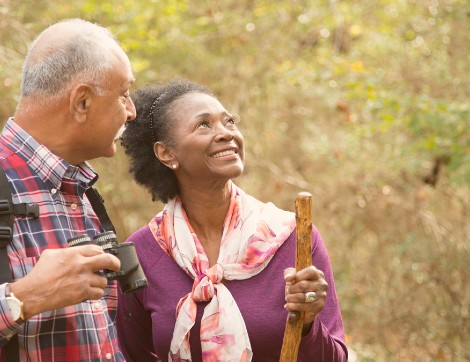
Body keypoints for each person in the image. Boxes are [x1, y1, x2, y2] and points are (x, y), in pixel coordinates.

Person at [117, 79, 348, 361]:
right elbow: (131, 354)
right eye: (204, 125)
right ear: (167, 153)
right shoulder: (141, 252)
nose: (226, 133)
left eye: (230, 122)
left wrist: (308, 322)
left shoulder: (293, 237)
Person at [0, 18, 136, 361]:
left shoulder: (85, 194)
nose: (131, 112)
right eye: (124, 95)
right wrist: (24, 299)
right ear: (82, 102)